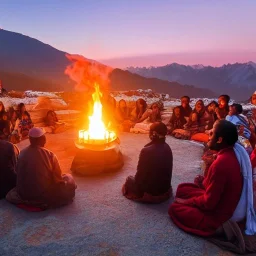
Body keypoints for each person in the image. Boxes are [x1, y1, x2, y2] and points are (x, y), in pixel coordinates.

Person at [169, 120, 246, 236]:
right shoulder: (228, 154)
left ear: (220, 140)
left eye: (211, 134)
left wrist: (188, 202)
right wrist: (203, 181)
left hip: (217, 215)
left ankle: (214, 227)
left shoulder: (221, 163)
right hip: (216, 200)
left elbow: (209, 203)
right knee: (182, 188)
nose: (208, 136)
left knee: (175, 208)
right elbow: (214, 186)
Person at [6, 127, 76, 209]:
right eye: (44, 136)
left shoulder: (22, 153)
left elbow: (18, 173)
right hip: (43, 195)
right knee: (69, 178)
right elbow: (58, 180)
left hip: (24, 194)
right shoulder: (50, 155)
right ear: (42, 139)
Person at [122, 122, 173, 203]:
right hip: (164, 188)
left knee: (129, 179)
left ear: (154, 133)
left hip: (150, 191)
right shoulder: (168, 148)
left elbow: (139, 177)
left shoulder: (146, 151)